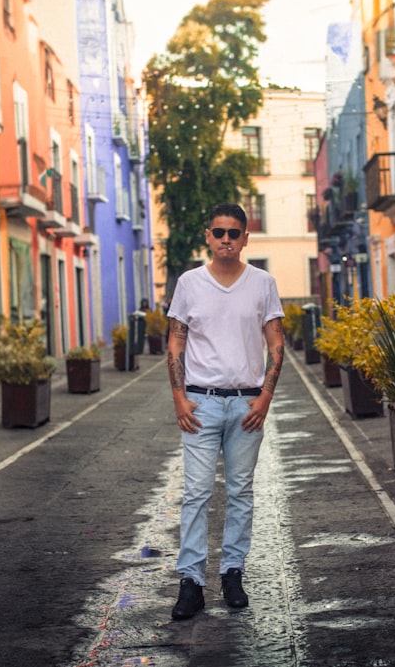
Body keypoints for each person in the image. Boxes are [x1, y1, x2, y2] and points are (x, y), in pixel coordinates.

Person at [165, 202, 285, 620]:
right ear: (208, 236)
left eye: (234, 233)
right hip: (200, 403)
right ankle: (191, 582)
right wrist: (179, 398)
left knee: (241, 493)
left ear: (246, 238)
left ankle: (232, 572)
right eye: (219, 233)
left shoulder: (262, 283)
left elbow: (276, 344)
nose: (227, 241)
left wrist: (265, 398)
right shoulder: (190, 283)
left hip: (247, 404)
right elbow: (176, 343)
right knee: (196, 493)